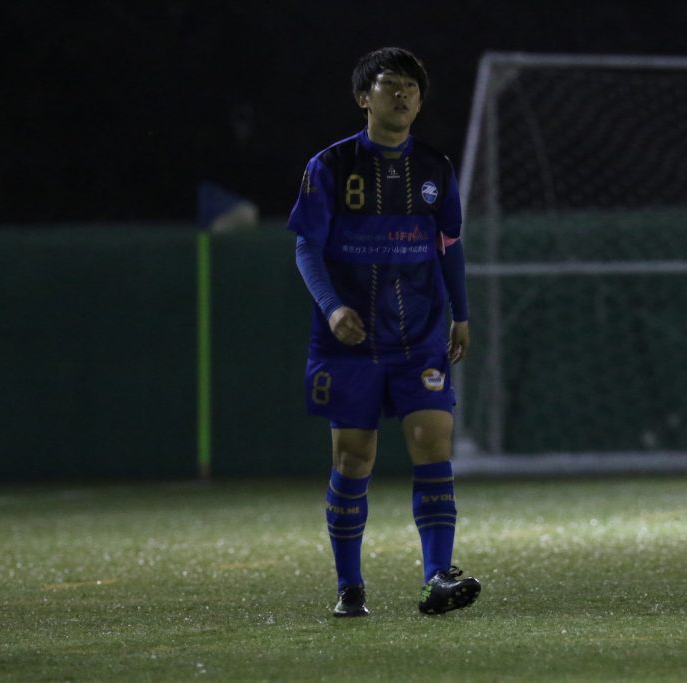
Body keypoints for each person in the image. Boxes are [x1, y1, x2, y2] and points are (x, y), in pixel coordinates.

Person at [287, 47, 481, 617]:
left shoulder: (436, 168)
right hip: (349, 341)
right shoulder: (329, 165)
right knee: (354, 458)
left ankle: (436, 579)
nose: (402, 95)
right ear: (362, 98)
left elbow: (449, 245)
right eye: (390, 85)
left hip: (419, 335)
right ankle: (350, 586)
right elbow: (306, 247)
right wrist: (332, 308)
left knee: (433, 441)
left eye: (411, 88)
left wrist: (461, 314)